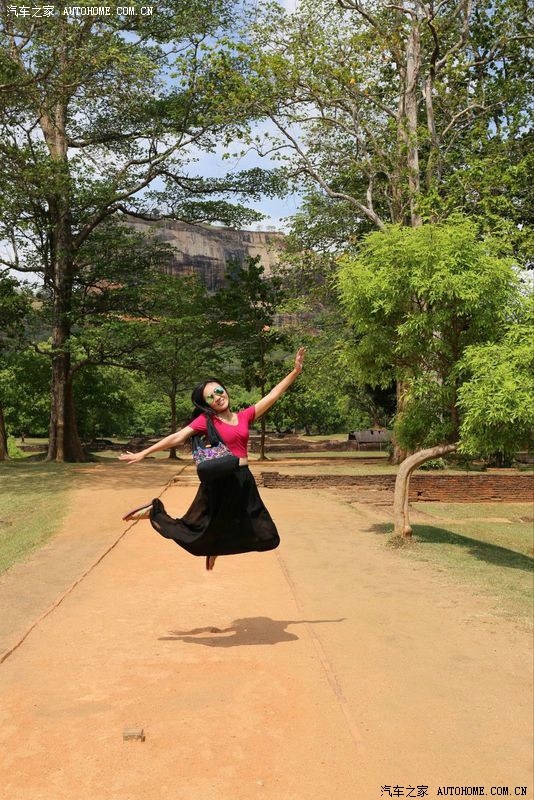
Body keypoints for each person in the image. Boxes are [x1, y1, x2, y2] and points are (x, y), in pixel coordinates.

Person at [119, 347, 306, 571]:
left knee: (265, 533)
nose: (218, 397)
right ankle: (155, 512)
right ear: (207, 403)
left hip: (243, 480)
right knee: (194, 530)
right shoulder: (206, 421)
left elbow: (273, 395)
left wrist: (295, 371)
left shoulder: (244, 416)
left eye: (219, 391)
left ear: (225, 390)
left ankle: (215, 547)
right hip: (219, 480)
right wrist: (144, 453)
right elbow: (177, 437)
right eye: (211, 397)